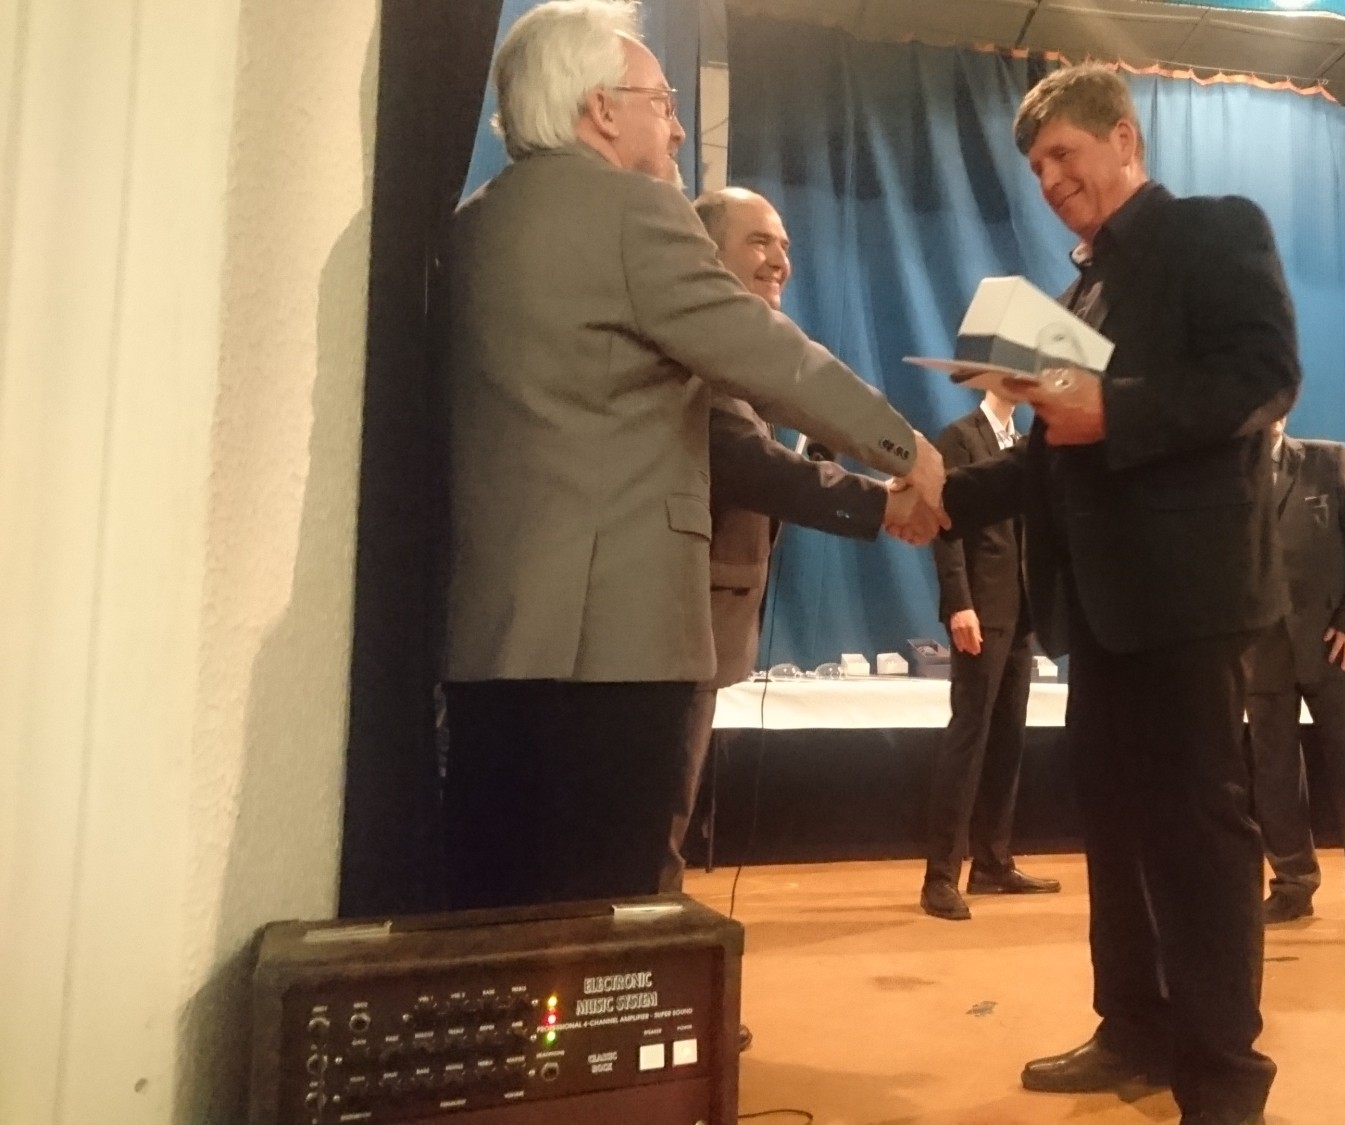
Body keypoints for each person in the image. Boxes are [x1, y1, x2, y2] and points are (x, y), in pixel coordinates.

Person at [438, 0, 944, 911]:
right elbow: (771, 358)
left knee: (500, 918)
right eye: (662, 103)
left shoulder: (474, 224)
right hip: (616, 647)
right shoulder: (634, 212)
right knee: (615, 930)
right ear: (601, 109)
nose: (676, 127)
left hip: (491, 640)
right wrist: (905, 449)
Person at [944, 64, 1299, 1125]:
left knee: (1196, 835)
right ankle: (1132, 1030)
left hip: (1188, 596)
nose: (1051, 179)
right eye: (1036, 167)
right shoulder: (1077, 295)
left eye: (1064, 154)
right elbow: (1050, 461)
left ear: (1123, 138)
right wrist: (935, 496)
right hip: (1100, 608)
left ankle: (1223, 1081)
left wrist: (1118, 409)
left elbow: (1264, 375)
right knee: (1114, 829)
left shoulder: (1213, 230)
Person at [658, 187, 934, 895]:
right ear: (704, 254)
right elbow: (752, 465)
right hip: (669, 631)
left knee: (665, 822)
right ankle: (658, 956)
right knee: (654, 830)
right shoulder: (696, 354)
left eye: (784, 245)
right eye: (759, 242)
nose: (780, 260)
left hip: (694, 632)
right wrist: (885, 501)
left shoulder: (732, 357)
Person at [1247, 419, 1345, 934]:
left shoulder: (1328, 460)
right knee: (1273, 774)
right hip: (1261, 651)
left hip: (1333, 645)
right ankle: (1292, 886)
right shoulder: (1225, 472)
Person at [921, 387, 1061, 921]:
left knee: (1008, 738)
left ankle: (992, 861)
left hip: (1021, 609)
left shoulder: (1023, 441)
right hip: (982, 604)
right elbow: (946, 522)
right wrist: (959, 602)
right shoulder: (960, 436)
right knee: (970, 736)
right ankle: (939, 875)